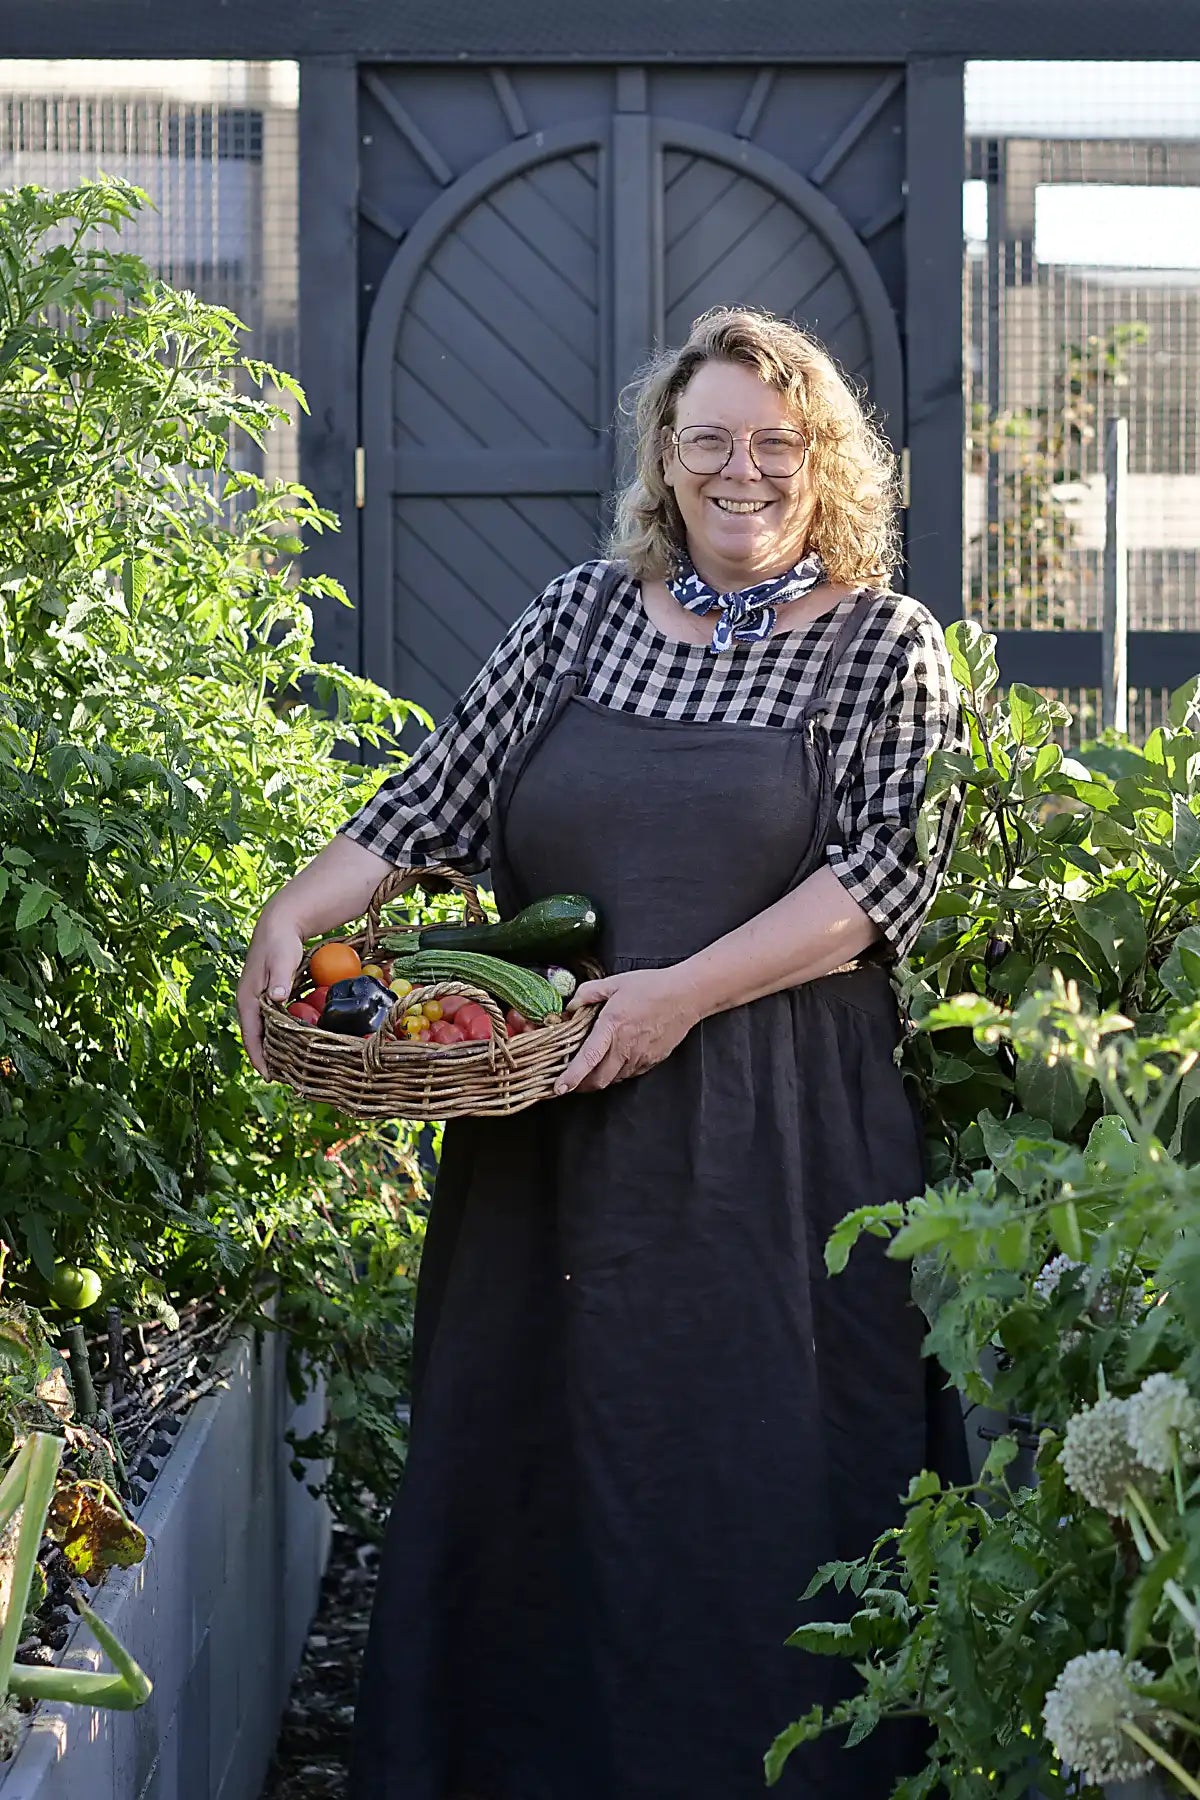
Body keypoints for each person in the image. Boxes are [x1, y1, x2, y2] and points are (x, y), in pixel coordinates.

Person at [237, 305, 968, 1800]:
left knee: (753, 1475)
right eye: (709, 440)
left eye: (776, 443)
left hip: (775, 1149)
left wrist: (679, 994)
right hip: (551, 1134)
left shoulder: (886, 644)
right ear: (665, 457)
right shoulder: (579, 616)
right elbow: (434, 799)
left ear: (828, 463)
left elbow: (882, 883)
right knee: (542, 1472)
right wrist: (293, 911)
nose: (741, 471)